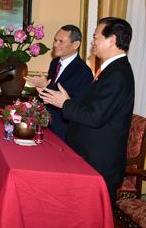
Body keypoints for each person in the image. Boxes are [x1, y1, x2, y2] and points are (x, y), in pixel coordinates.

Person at [39, 17, 135, 203]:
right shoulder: (110, 70)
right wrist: (65, 100)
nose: (92, 42)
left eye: (96, 37)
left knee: (94, 215)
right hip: (89, 157)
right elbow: (91, 106)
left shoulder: (117, 74)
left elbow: (95, 116)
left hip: (100, 161)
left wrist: (65, 104)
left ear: (112, 39)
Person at [25, 25, 93, 140]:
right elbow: (50, 92)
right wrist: (42, 89)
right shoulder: (55, 63)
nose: (55, 44)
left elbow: (75, 107)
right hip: (47, 127)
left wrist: (46, 86)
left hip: (64, 132)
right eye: (55, 40)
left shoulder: (83, 72)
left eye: (61, 41)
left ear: (75, 45)